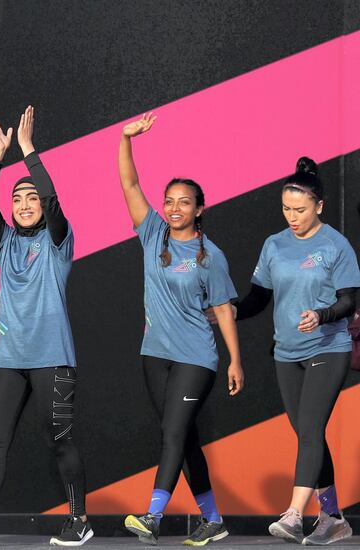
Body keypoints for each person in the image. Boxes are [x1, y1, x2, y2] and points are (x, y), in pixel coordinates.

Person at [0, 106, 92, 547]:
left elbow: (53, 202)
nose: (24, 205)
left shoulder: (59, 241)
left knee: (59, 441)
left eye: (30, 200)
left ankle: (79, 519)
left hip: (53, 361)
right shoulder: (4, 243)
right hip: (9, 360)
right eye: (17, 200)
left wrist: (28, 153)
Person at [118, 113, 243, 546]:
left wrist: (234, 362)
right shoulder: (153, 234)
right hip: (155, 355)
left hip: (196, 359)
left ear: (199, 208)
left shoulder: (212, 257)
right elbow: (130, 186)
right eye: (169, 200)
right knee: (183, 436)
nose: (174, 208)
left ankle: (152, 517)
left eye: (184, 201)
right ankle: (214, 520)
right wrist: (125, 139)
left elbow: (225, 310)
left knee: (173, 433)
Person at [227, 157, 358, 545]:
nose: (292, 216)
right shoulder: (274, 244)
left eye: (299, 209)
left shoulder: (336, 245)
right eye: (286, 208)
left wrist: (321, 315)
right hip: (287, 353)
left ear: (319, 205)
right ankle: (333, 518)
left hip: (328, 346)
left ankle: (294, 513)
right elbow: (259, 298)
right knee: (307, 434)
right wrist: (230, 312)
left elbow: (349, 300)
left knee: (311, 431)